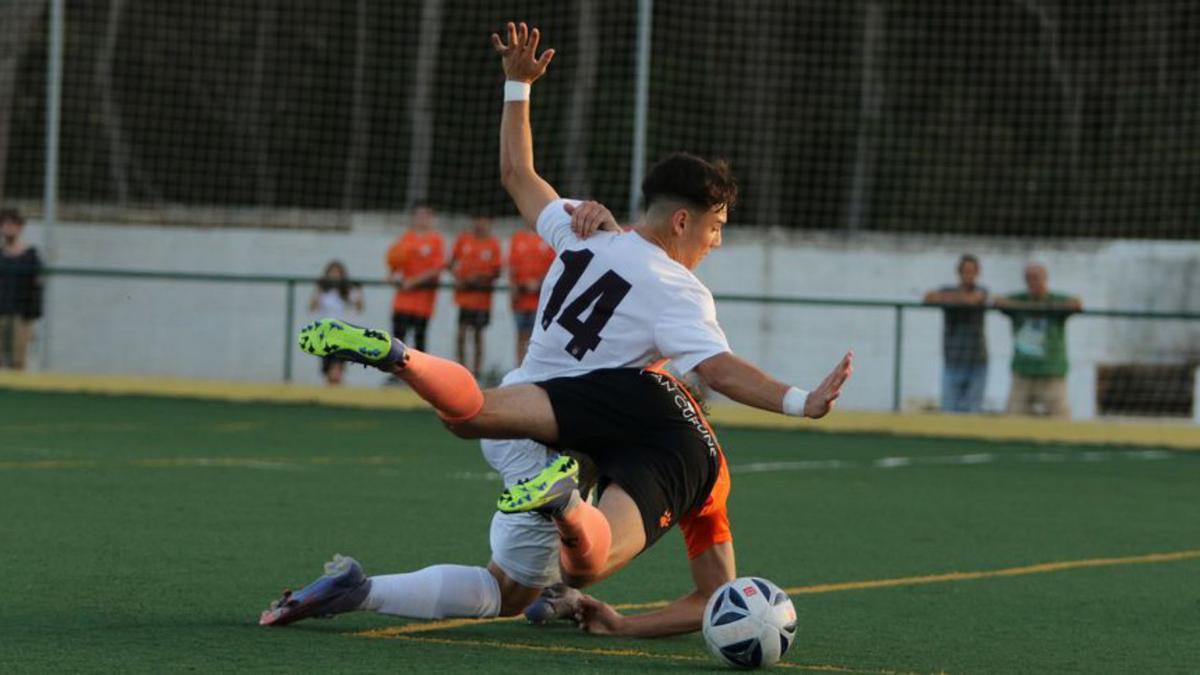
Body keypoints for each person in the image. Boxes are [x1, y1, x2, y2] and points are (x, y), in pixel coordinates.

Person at [263, 22, 852, 638]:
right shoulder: (678, 290)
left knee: (503, 564)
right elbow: (717, 370)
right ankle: (564, 503)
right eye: (714, 227)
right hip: (570, 435)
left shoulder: (585, 229)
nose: (716, 241)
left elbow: (519, 174)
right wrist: (799, 401)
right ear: (682, 221)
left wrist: (517, 86)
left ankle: (400, 374)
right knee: (552, 570)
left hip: (520, 402)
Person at [994, 263, 1082, 418]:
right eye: (1029, 279)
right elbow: (997, 301)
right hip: (1023, 371)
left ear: (1045, 279)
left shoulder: (1055, 299)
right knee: (1013, 416)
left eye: (1037, 278)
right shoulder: (1020, 298)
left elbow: (1077, 303)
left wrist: (1046, 307)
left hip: (1051, 371)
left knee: (1060, 416)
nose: (1033, 282)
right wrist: (1027, 307)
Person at [923, 254, 989, 413]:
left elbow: (975, 300)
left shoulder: (982, 290)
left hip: (977, 362)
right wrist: (954, 298)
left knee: (973, 411)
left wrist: (950, 299)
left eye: (971, 271)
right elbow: (928, 298)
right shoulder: (948, 289)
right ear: (959, 272)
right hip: (952, 361)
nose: (968, 275)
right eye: (965, 271)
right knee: (949, 410)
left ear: (977, 272)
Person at [385, 204, 444, 354]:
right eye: (419, 215)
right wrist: (392, 277)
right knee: (397, 341)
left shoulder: (436, 240)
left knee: (419, 341)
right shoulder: (406, 238)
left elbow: (436, 269)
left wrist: (413, 281)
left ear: (432, 218)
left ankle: (418, 377)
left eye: (426, 215)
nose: (422, 219)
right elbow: (394, 265)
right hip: (402, 300)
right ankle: (395, 375)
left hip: (423, 302)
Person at [449, 215, 502, 378]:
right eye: (478, 220)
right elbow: (450, 264)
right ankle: (461, 369)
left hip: (481, 300)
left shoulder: (493, 244)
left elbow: (497, 272)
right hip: (464, 297)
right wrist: (460, 279)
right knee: (461, 333)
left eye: (484, 221)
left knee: (478, 335)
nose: (481, 224)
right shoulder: (464, 240)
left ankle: (477, 372)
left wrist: (478, 278)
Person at [307, 260, 364, 386]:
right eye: (332, 273)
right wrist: (318, 289)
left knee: (337, 364)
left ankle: (337, 382)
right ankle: (332, 386)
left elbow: (359, 306)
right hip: (325, 332)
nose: (335, 276)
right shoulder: (324, 291)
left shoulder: (346, 291)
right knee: (327, 366)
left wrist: (359, 290)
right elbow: (312, 307)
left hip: (341, 332)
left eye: (337, 273)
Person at [0, 208, 43, 370]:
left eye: (12, 224)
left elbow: (38, 287)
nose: (8, 228)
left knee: (19, 362)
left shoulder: (31, 256)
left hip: (22, 316)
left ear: (20, 227)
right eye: (4, 224)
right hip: (1, 314)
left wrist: (33, 314)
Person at [507, 225, 555, 364]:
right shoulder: (517, 238)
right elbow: (512, 267)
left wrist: (539, 284)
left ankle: (533, 371)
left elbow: (554, 267)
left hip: (540, 301)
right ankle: (519, 369)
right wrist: (514, 289)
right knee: (520, 336)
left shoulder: (548, 238)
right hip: (521, 300)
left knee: (538, 339)